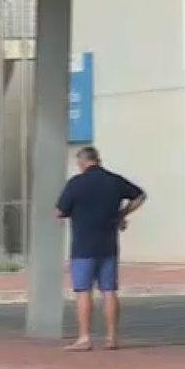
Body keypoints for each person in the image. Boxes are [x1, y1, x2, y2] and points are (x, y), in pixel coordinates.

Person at [55, 146, 145, 351]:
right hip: (108, 244)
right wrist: (122, 214)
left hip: (83, 246)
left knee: (83, 291)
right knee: (109, 291)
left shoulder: (76, 183)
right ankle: (112, 338)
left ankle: (85, 337)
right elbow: (139, 196)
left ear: (82, 163)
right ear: (98, 160)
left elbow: (60, 211)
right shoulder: (113, 180)